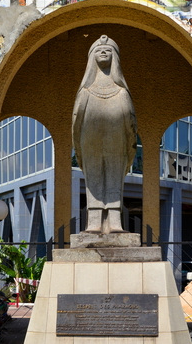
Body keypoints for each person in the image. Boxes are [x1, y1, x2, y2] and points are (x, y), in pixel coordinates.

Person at [72, 35, 137, 234]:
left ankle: (115, 221)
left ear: (115, 58)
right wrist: (80, 150)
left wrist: (129, 150)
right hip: (89, 144)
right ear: (91, 57)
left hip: (117, 144)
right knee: (93, 178)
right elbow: (76, 126)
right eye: (99, 50)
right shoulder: (85, 93)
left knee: (115, 177)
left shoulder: (122, 93)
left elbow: (131, 127)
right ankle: (94, 222)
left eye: (108, 50)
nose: (103, 52)